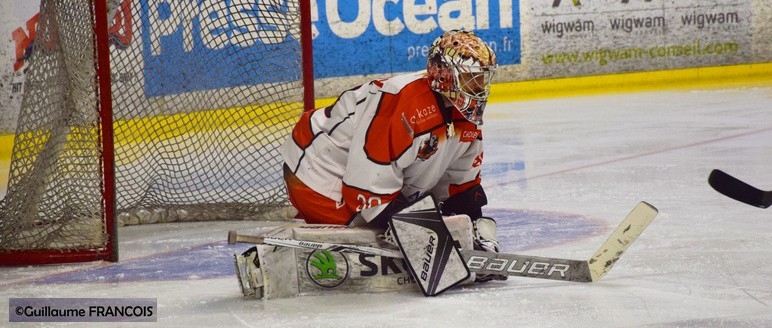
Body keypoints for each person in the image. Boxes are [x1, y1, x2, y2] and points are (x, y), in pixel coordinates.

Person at [279, 30, 503, 272]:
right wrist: (420, 235)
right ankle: (282, 261)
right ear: (445, 75)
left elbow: (459, 184)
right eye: (471, 79)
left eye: (483, 79)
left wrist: (471, 228)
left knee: (411, 226)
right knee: (374, 236)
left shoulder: (465, 115)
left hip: (357, 171)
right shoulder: (401, 104)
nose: (479, 88)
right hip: (318, 171)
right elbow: (366, 188)